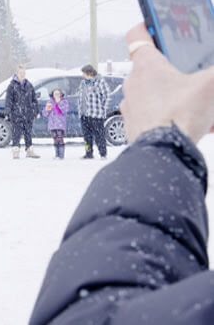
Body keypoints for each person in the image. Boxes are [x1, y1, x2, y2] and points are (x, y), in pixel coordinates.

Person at [29, 24, 214, 325]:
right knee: (89, 137)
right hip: (102, 124)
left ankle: (98, 151)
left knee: (98, 137)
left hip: (111, 122)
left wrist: (159, 141)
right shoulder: (84, 88)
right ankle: (91, 150)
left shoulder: (99, 85)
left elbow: (95, 312)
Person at [5, 65, 40, 159]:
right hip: (16, 114)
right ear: (16, 74)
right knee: (16, 133)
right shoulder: (12, 86)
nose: (22, 75)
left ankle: (29, 150)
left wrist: (36, 110)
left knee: (28, 133)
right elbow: (8, 100)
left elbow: (34, 99)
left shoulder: (29, 85)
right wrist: (7, 112)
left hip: (28, 113)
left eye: (24, 73)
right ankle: (15, 151)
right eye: (21, 73)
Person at [77, 64, 110, 159]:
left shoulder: (100, 82)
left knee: (99, 136)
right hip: (84, 114)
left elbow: (106, 96)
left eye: (84, 73)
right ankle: (88, 153)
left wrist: (101, 108)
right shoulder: (83, 83)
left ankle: (103, 153)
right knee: (87, 137)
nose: (83, 75)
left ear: (90, 73)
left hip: (96, 114)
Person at [42, 88, 70, 159]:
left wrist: (58, 103)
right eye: (55, 94)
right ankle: (56, 154)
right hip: (52, 125)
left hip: (60, 125)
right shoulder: (50, 102)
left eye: (58, 94)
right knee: (55, 139)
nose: (57, 95)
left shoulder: (64, 102)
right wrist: (47, 108)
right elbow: (45, 113)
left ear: (61, 95)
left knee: (60, 138)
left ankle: (61, 155)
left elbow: (65, 110)